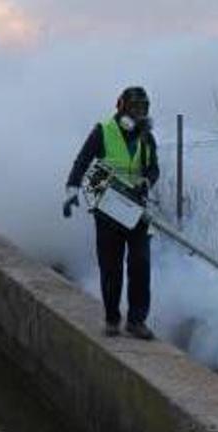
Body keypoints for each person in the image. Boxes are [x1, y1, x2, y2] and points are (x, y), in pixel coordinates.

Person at [63, 86, 160, 340]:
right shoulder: (103, 132)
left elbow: (153, 169)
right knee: (111, 268)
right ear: (121, 108)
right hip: (108, 211)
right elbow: (82, 161)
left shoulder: (147, 138)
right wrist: (72, 190)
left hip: (137, 211)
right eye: (134, 109)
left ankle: (137, 321)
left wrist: (146, 182)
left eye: (143, 109)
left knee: (140, 264)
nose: (138, 114)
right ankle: (112, 319)